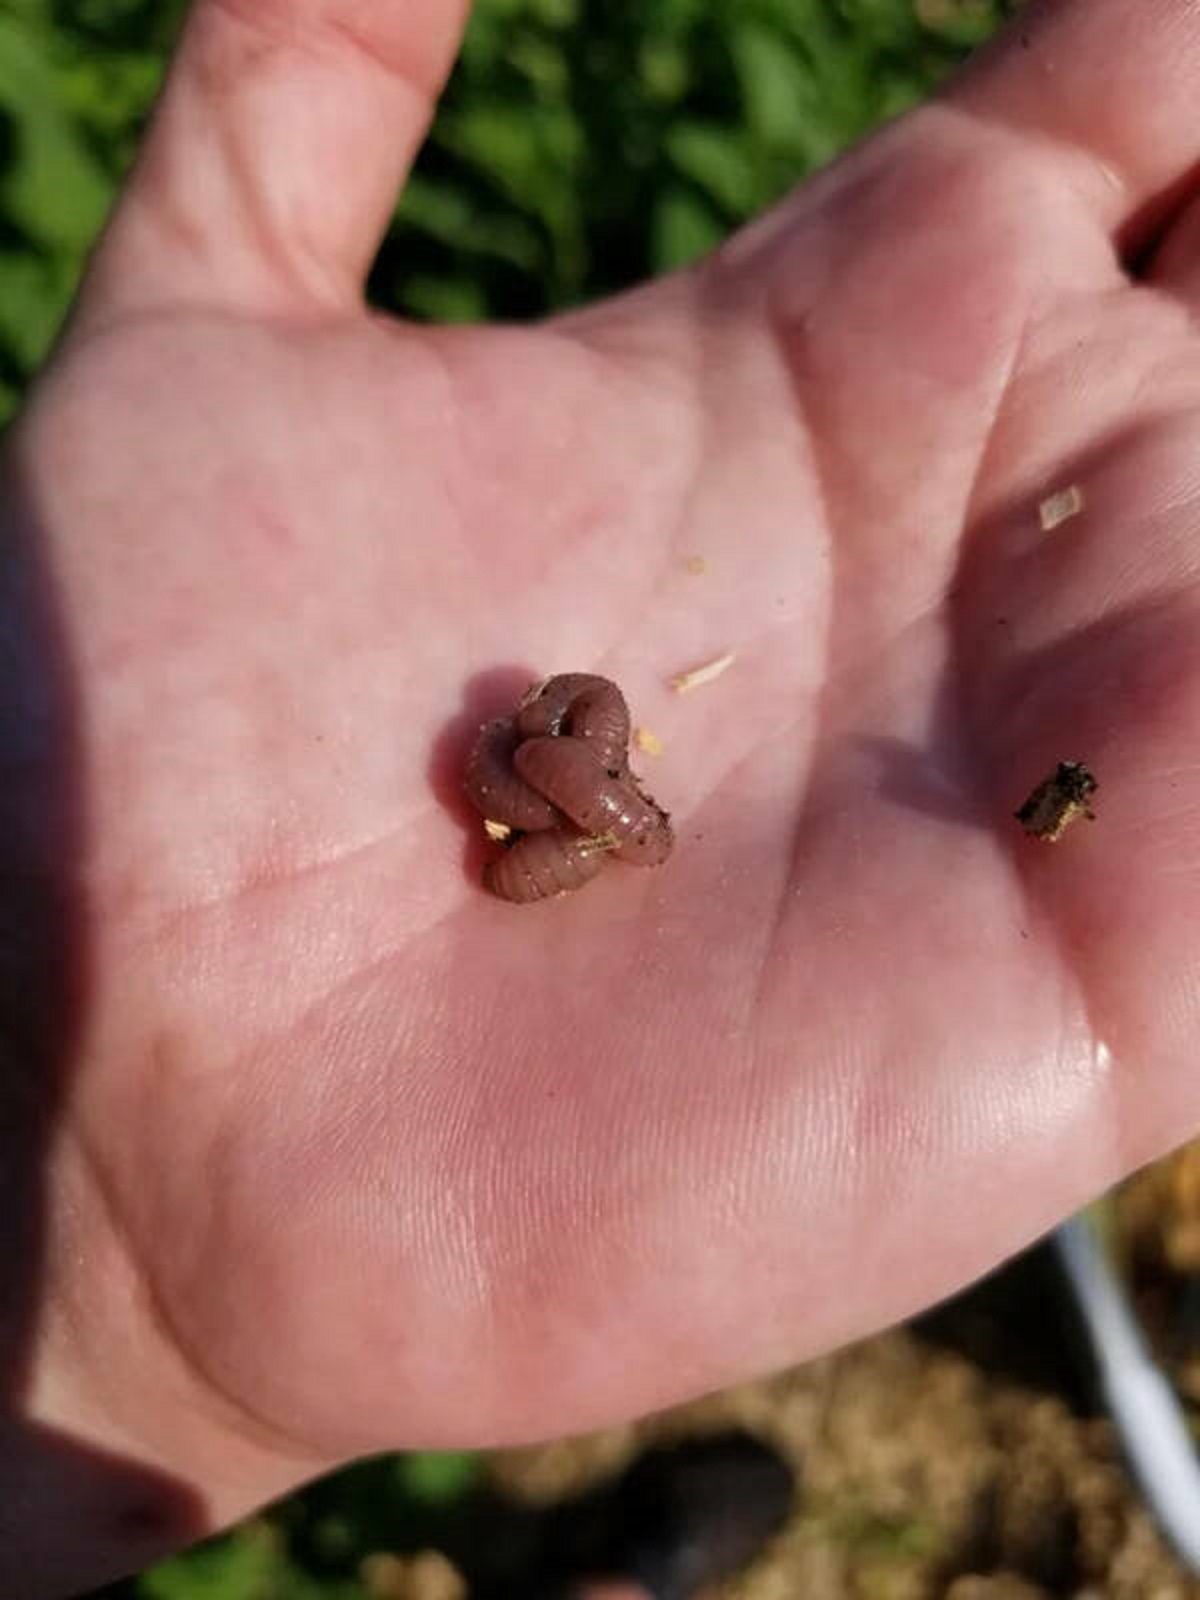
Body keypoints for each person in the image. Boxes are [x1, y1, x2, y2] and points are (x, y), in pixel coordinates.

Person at [3, 0, 1200, 1592]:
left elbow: (565, 780)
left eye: (610, 799)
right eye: (611, 801)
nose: (616, 802)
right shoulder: (561, 784)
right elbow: (554, 786)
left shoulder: (576, 784)